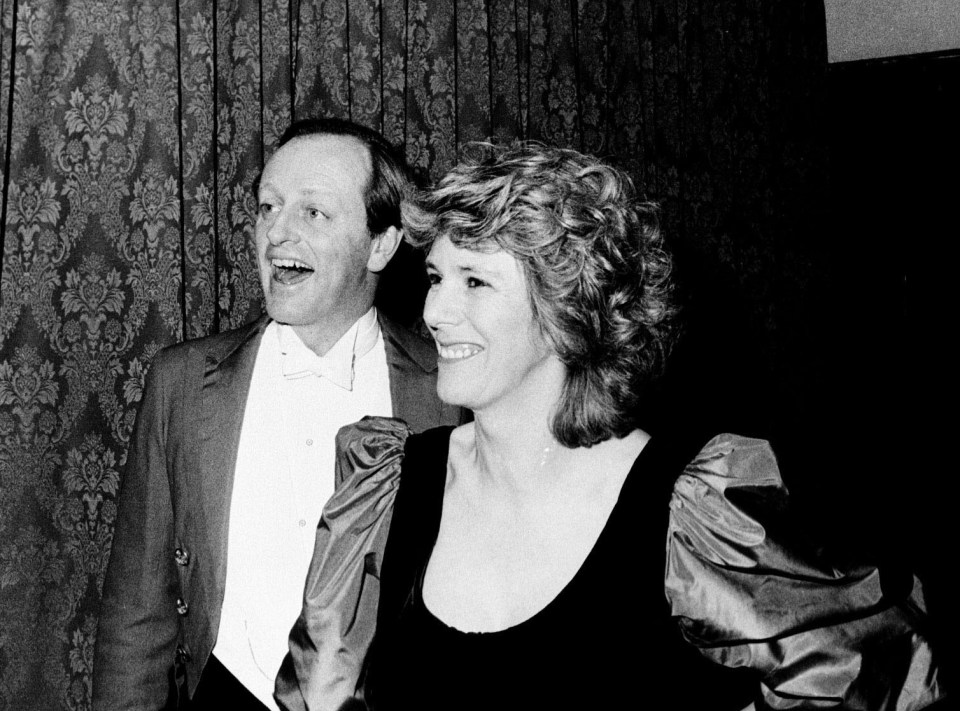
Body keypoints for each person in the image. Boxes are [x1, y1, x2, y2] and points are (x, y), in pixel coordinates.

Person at [276, 142, 945, 710]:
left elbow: (889, 668)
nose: (435, 312)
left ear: (567, 310)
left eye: (474, 283)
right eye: (435, 277)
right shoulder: (391, 489)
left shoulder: (689, 514)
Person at [92, 118, 464, 710]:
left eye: (313, 213)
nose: (277, 234)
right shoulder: (181, 384)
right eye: (268, 207)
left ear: (381, 244)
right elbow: (135, 619)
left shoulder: (450, 393)